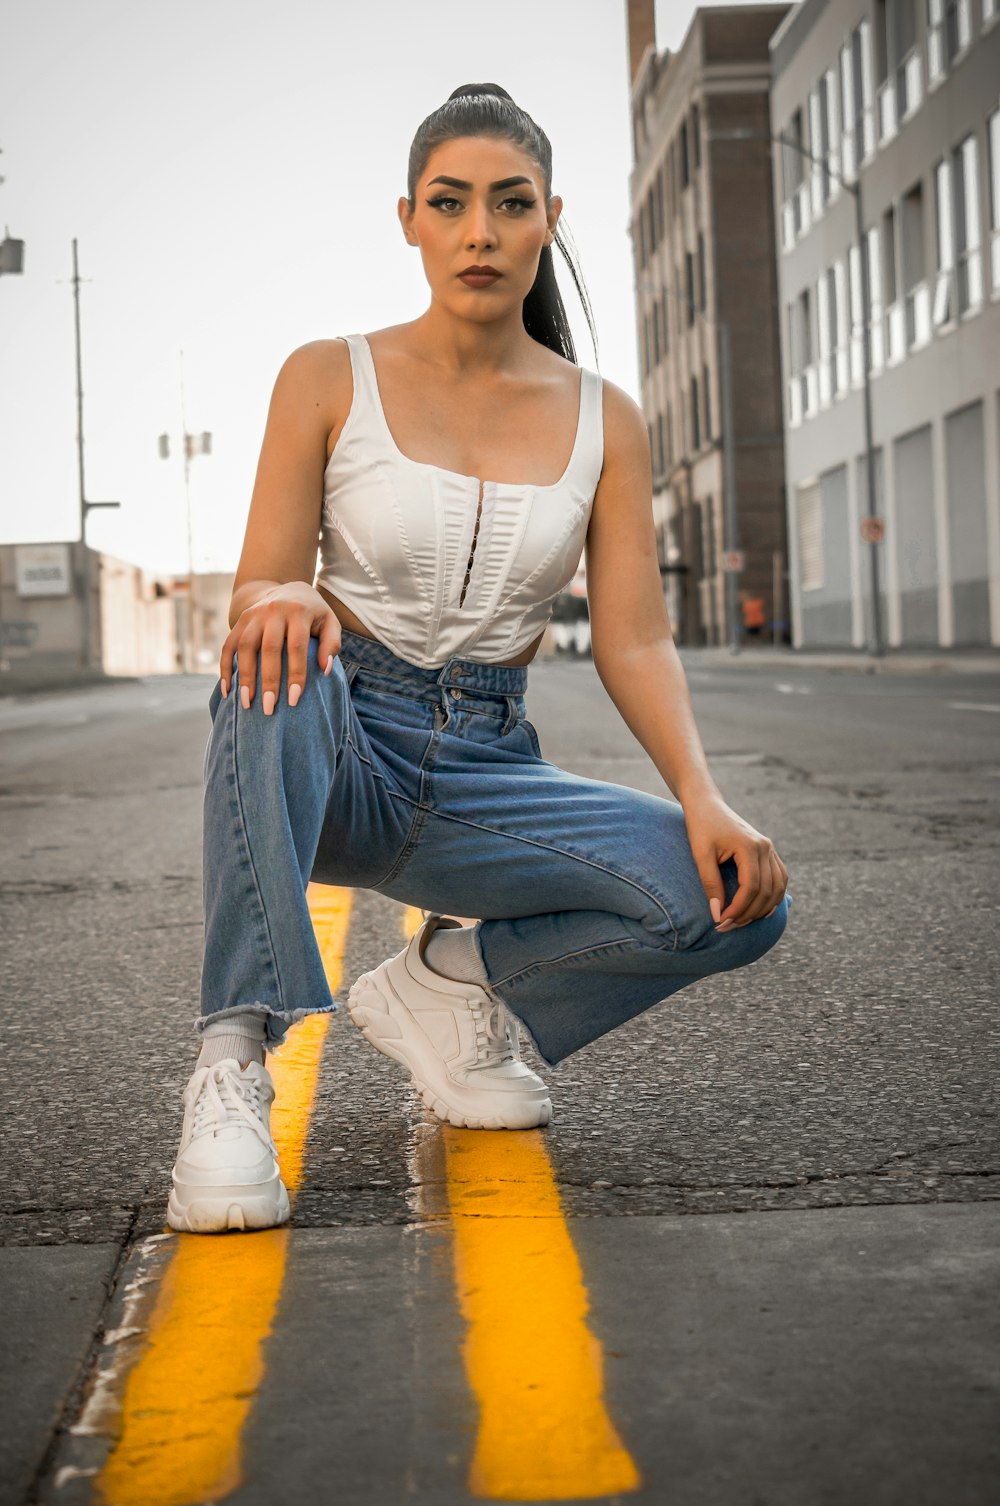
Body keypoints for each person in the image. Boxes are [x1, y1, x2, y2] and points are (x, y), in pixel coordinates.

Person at [167, 84, 793, 1235]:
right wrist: (288, 594)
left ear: (549, 217)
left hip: (489, 772)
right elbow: (260, 579)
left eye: (509, 204)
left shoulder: (606, 416)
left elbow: (634, 633)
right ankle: (231, 1063)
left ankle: (450, 988)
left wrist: (705, 798)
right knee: (272, 651)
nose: (480, 231)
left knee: (739, 904)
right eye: (450, 203)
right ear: (408, 217)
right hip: (339, 738)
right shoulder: (326, 373)